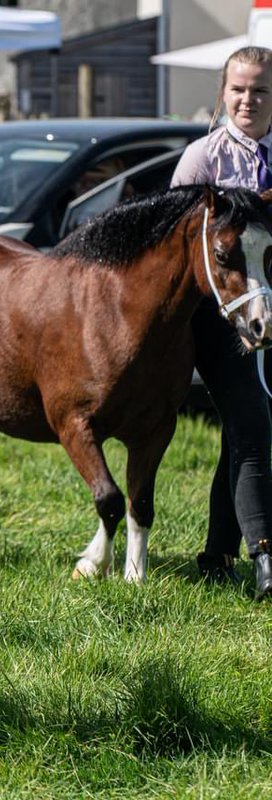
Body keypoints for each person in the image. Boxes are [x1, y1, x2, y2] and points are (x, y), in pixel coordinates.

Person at [170, 45, 272, 599]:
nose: (247, 99)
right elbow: (172, 250)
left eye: (260, 90)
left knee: (242, 433)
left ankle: (216, 555)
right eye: (238, 89)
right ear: (223, 93)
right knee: (252, 423)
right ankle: (265, 559)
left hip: (271, 313)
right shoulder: (201, 159)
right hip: (220, 321)